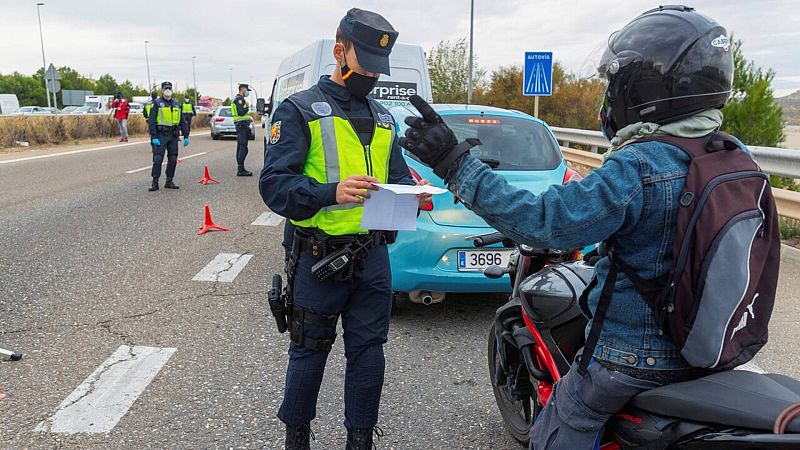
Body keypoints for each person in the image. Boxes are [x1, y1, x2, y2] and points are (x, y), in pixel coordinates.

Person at [398, 6, 738, 449]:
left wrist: (455, 164)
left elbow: (545, 222)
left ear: (645, 88)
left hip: (633, 358)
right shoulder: (735, 157)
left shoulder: (640, 164)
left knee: (555, 430)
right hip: (716, 348)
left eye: (615, 84)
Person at [259, 8, 431, 450]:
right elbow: (275, 185)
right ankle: (296, 438)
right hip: (318, 257)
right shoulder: (297, 110)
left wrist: (415, 194)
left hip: (372, 258)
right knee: (309, 353)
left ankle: (361, 440)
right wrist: (330, 192)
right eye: (365, 66)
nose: (372, 76)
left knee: (369, 353)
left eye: (378, 69)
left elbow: (397, 176)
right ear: (339, 51)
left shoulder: (385, 117)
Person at [147, 81, 189, 192]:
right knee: (158, 159)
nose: (168, 90)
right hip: (160, 135)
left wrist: (186, 135)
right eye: (166, 88)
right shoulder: (156, 103)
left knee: (173, 159)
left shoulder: (176, 104)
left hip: (173, 135)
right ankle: (155, 182)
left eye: (169, 88)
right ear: (162, 90)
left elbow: (182, 120)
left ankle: (169, 180)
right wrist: (154, 136)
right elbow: (151, 121)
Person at [232, 83, 253, 176]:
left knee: (240, 147)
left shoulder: (236, 99)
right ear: (242, 89)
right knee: (243, 147)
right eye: (247, 90)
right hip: (242, 125)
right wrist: (247, 106)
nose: (247, 92)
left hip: (240, 125)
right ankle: (240, 169)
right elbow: (240, 112)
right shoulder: (239, 100)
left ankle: (240, 167)